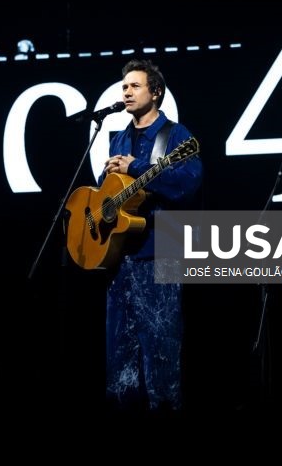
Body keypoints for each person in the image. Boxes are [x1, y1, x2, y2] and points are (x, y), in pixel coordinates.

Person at [99, 59, 202, 412]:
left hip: (160, 252)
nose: (126, 91)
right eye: (124, 86)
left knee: (161, 351)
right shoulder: (119, 138)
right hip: (120, 257)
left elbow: (187, 186)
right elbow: (108, 198)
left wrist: (138, 167)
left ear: (155, 92)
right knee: (120, 357)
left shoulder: (175, 136)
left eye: (135, 85)